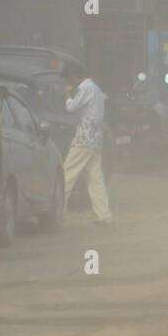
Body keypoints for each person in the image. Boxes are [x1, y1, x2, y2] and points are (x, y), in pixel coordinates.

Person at [61, 61, 113, 225]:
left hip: (84, 138)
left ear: (73, 76)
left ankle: (56, 212)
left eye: (68, 79)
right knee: (96, 178)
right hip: (96, 139)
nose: (67, 82)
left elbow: (71, 108)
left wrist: (68, 95)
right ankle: (104, 215)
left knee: (66, 175)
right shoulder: (95, 88)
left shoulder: (85, 88)